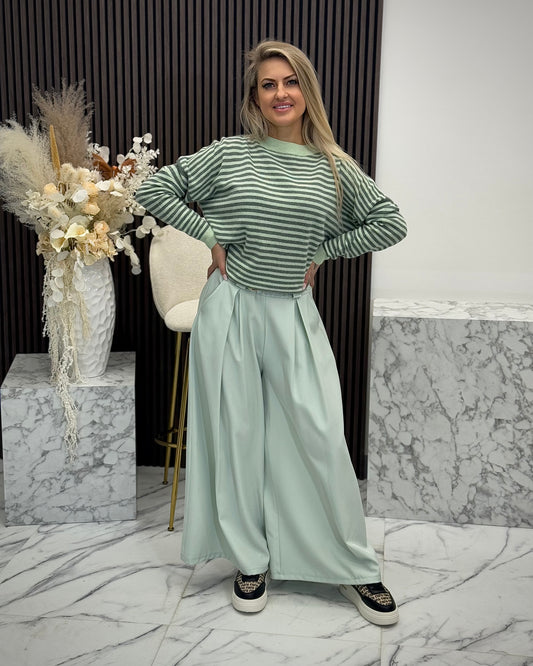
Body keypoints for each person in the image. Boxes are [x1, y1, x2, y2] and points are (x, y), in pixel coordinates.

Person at [135, 40, 406, 626]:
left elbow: (390, 222)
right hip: (229, 309)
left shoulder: (333, 165)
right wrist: (211, 236)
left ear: (306, 90)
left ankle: (354, 565)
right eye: (268, 84)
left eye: (290, 81)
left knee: (319, 435)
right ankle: (250, 560)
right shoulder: (231, 153)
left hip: (291, 311)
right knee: (238, 436)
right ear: (255, 97)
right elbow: (152, 190)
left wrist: (325, 251)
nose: (280, 93)